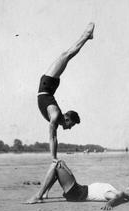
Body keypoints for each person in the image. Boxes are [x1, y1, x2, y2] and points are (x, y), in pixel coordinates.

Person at [35, 23, 95, 198]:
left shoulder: (56, 116)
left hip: (48, 85)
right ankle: (86, 36)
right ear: (67, 119)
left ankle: (44, 193)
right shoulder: (54, 115)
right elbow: (52, 136)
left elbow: (56, 138)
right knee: (67, 54)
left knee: (65, 55)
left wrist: (54, 157)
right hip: (47, 84)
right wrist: (53, 158)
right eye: (71, 125)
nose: (69, 128)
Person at [23, 160, 129, 209]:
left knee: (56, 165)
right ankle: (44, 194)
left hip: (78, 192)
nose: (128, 184)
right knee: (57, 163)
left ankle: (38, 196)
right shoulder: (116, 191)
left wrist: (110, 204)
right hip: (79, 190)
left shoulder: (117, 193)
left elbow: (117, 197)